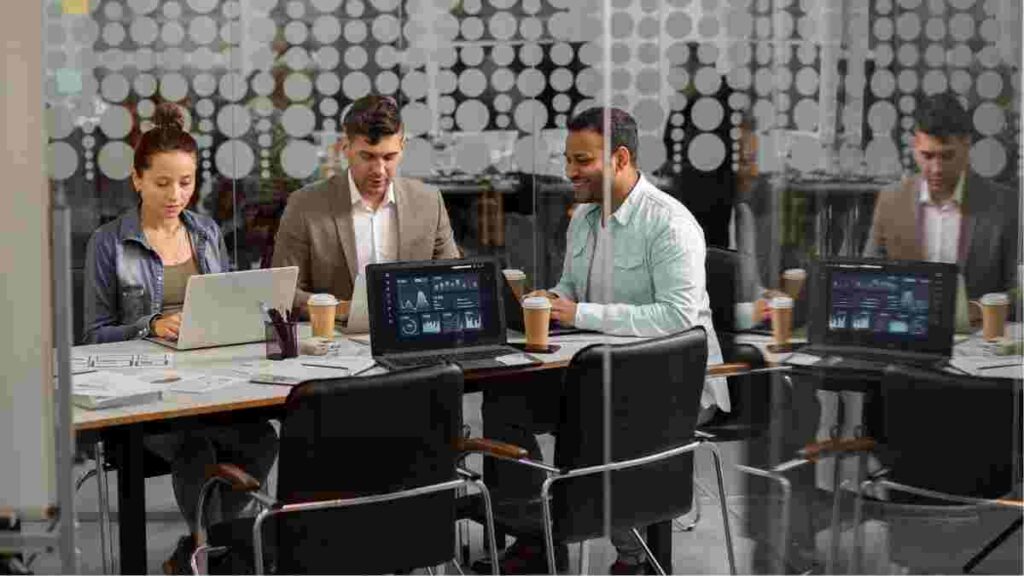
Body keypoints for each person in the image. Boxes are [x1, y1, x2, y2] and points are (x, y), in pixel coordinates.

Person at [481, 107, 728, 575]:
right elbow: (572, 287)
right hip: (600, 374)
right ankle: (537, 538)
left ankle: (632, 557)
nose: (569, 172)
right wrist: (553, 299)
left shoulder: (670, 224)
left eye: (581, 161)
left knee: (591, 420)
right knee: (504, 401)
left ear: (618, 158)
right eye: (567, 159)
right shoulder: (584, 219)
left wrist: (580, 313)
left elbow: (677, 317)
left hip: (674, 382)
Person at [82, 103, 277, 574]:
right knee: (195, 447)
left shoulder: (207, 233)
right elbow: (91, 336)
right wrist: (149, 326)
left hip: (210, 382)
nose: (175, 195)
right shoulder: (108, 243)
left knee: (262, 439)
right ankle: (215, 555)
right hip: (144, 396)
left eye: (185, 183)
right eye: (162, 183)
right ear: (137, 180)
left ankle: (204, 547)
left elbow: (228, 307)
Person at [272, 94, 460, 314]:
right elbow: (282, 291)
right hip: (338, 339)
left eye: (389, 157)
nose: (379, 171)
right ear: (346, 149)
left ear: (403, 147)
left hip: (413, 337)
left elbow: (454, 280)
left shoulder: (428, 203)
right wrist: (345, 311)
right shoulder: (305, 205)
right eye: (368, 157)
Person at [863, 92, 1019, 305]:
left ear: (966, 145)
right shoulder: (891, 201)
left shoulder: (1005, 205)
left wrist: (982, 310)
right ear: (914, 146)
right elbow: (867, 281)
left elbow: (1018, 293)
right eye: (927, 156)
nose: (936, 169)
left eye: (947, 156)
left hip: (976, 333)